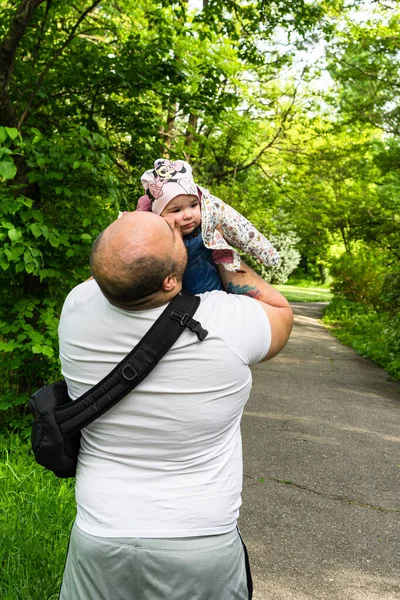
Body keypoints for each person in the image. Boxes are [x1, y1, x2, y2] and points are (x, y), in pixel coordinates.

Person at [58, 210, 293, 600]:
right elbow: (282, 314)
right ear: (170, 281)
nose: (173, 222)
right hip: (199, 542)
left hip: (99, 535)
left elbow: (113, 271)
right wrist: (218, 248)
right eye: (168, 229)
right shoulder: (227, 321)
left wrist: (141, 225)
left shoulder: (76, 309)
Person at [137, 158, 280, 294]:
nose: (188, 215)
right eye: (177, 210)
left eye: (193, 205)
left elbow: (238, 226)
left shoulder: (209, 217)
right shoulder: (152, 231)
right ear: (159, 214)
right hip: (174, 306)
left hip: (213, 297)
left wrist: (265, 251)